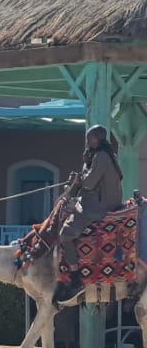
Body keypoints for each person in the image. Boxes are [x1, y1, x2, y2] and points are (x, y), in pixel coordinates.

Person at [55, 125, 125, 306]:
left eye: (90, 138)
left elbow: (89, 183)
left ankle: (75, 276)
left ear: (98, 139)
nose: (88, 141)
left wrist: (77, 181)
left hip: (98, 206)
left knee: (65, 234)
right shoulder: (106, 155)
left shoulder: (101, 157)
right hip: (101, 200)